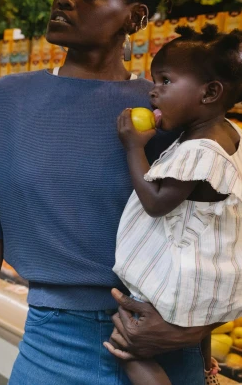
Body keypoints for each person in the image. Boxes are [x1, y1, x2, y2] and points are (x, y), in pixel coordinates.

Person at [0, 0, 213, 385]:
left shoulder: (168, 113)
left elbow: (219, 238)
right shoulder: (5, 102)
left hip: (162, 349)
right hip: (51, 348)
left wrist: (198, 329)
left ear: (135, 18)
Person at [111, 24, 242, 385]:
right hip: (208, 274)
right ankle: (204, 366)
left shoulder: (197, 151)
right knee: (193, 321)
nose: (153, 91)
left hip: (178, 277)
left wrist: (133, 147)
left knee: (127, 346)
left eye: (165, 81)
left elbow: (155, 203)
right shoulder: (228, 133)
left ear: (209, 92)